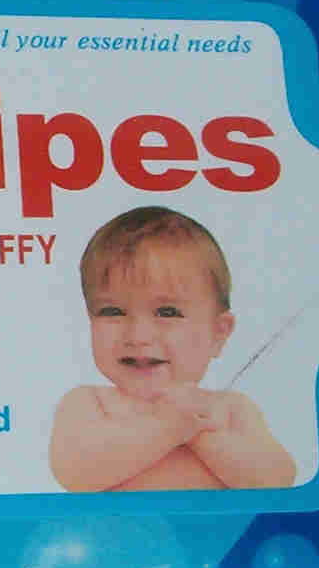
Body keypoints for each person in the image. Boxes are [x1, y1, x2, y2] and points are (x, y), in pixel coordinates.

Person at [49, 206, 295, 492]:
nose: (138, 336)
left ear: (218, 333)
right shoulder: (90, 404)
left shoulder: (232, 409)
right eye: (112, 311)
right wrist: (167, 426)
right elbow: (75, 475)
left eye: (167, 312)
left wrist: (202, 433)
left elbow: (278, 480)